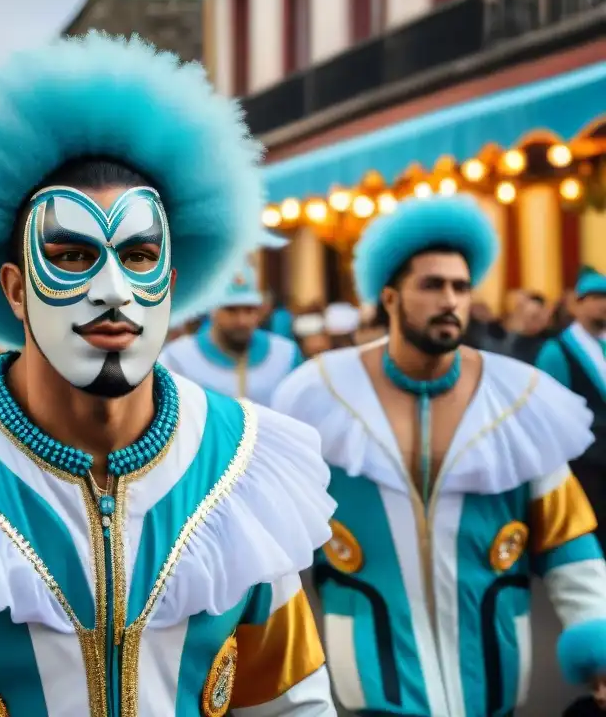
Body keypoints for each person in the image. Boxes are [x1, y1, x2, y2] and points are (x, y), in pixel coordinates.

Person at [0, 32, 336, 716]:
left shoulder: (241, 467)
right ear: (13, 289)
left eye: (138, 256)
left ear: (173, 281)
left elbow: (289, 705)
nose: (112, 289)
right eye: (71, 256)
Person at [273, 195, 606, 715]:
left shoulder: (519, 401)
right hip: (374, 689)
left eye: (460, 286)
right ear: (389, 298)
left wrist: (599, 649)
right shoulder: (317, 399)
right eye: (432, 285)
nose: (450, 299)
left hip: (493, 687)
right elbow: (268, 552)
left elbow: (568, 544)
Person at [159, 260, 303, 406]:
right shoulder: (177, 357)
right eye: (231, 310)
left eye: (249, 309)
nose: (242, 320)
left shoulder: (285, 354)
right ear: (211, 308)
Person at [536, 266, 606, 553]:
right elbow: (549, 414)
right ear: (576, 304)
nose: (603, 304)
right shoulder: (557, 350)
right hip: (583, 466)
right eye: (596, 297)